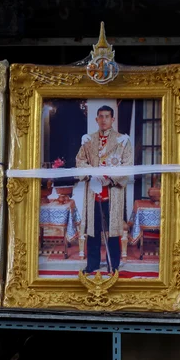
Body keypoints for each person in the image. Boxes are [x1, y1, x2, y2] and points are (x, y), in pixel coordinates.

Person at [76, 105, 133, 273]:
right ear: (96, 119)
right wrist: (93, 174)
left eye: (107, 116)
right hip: (94, 193)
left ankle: (112, 264)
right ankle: (92, 263)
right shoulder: (89, 140)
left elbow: (128, 165)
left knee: (113, 231)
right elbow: (80, 160)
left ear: (113, 119)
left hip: (113, 192)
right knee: (93, 231)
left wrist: (109, 178)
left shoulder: (122, 141)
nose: (103, 120)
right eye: (100, 116)